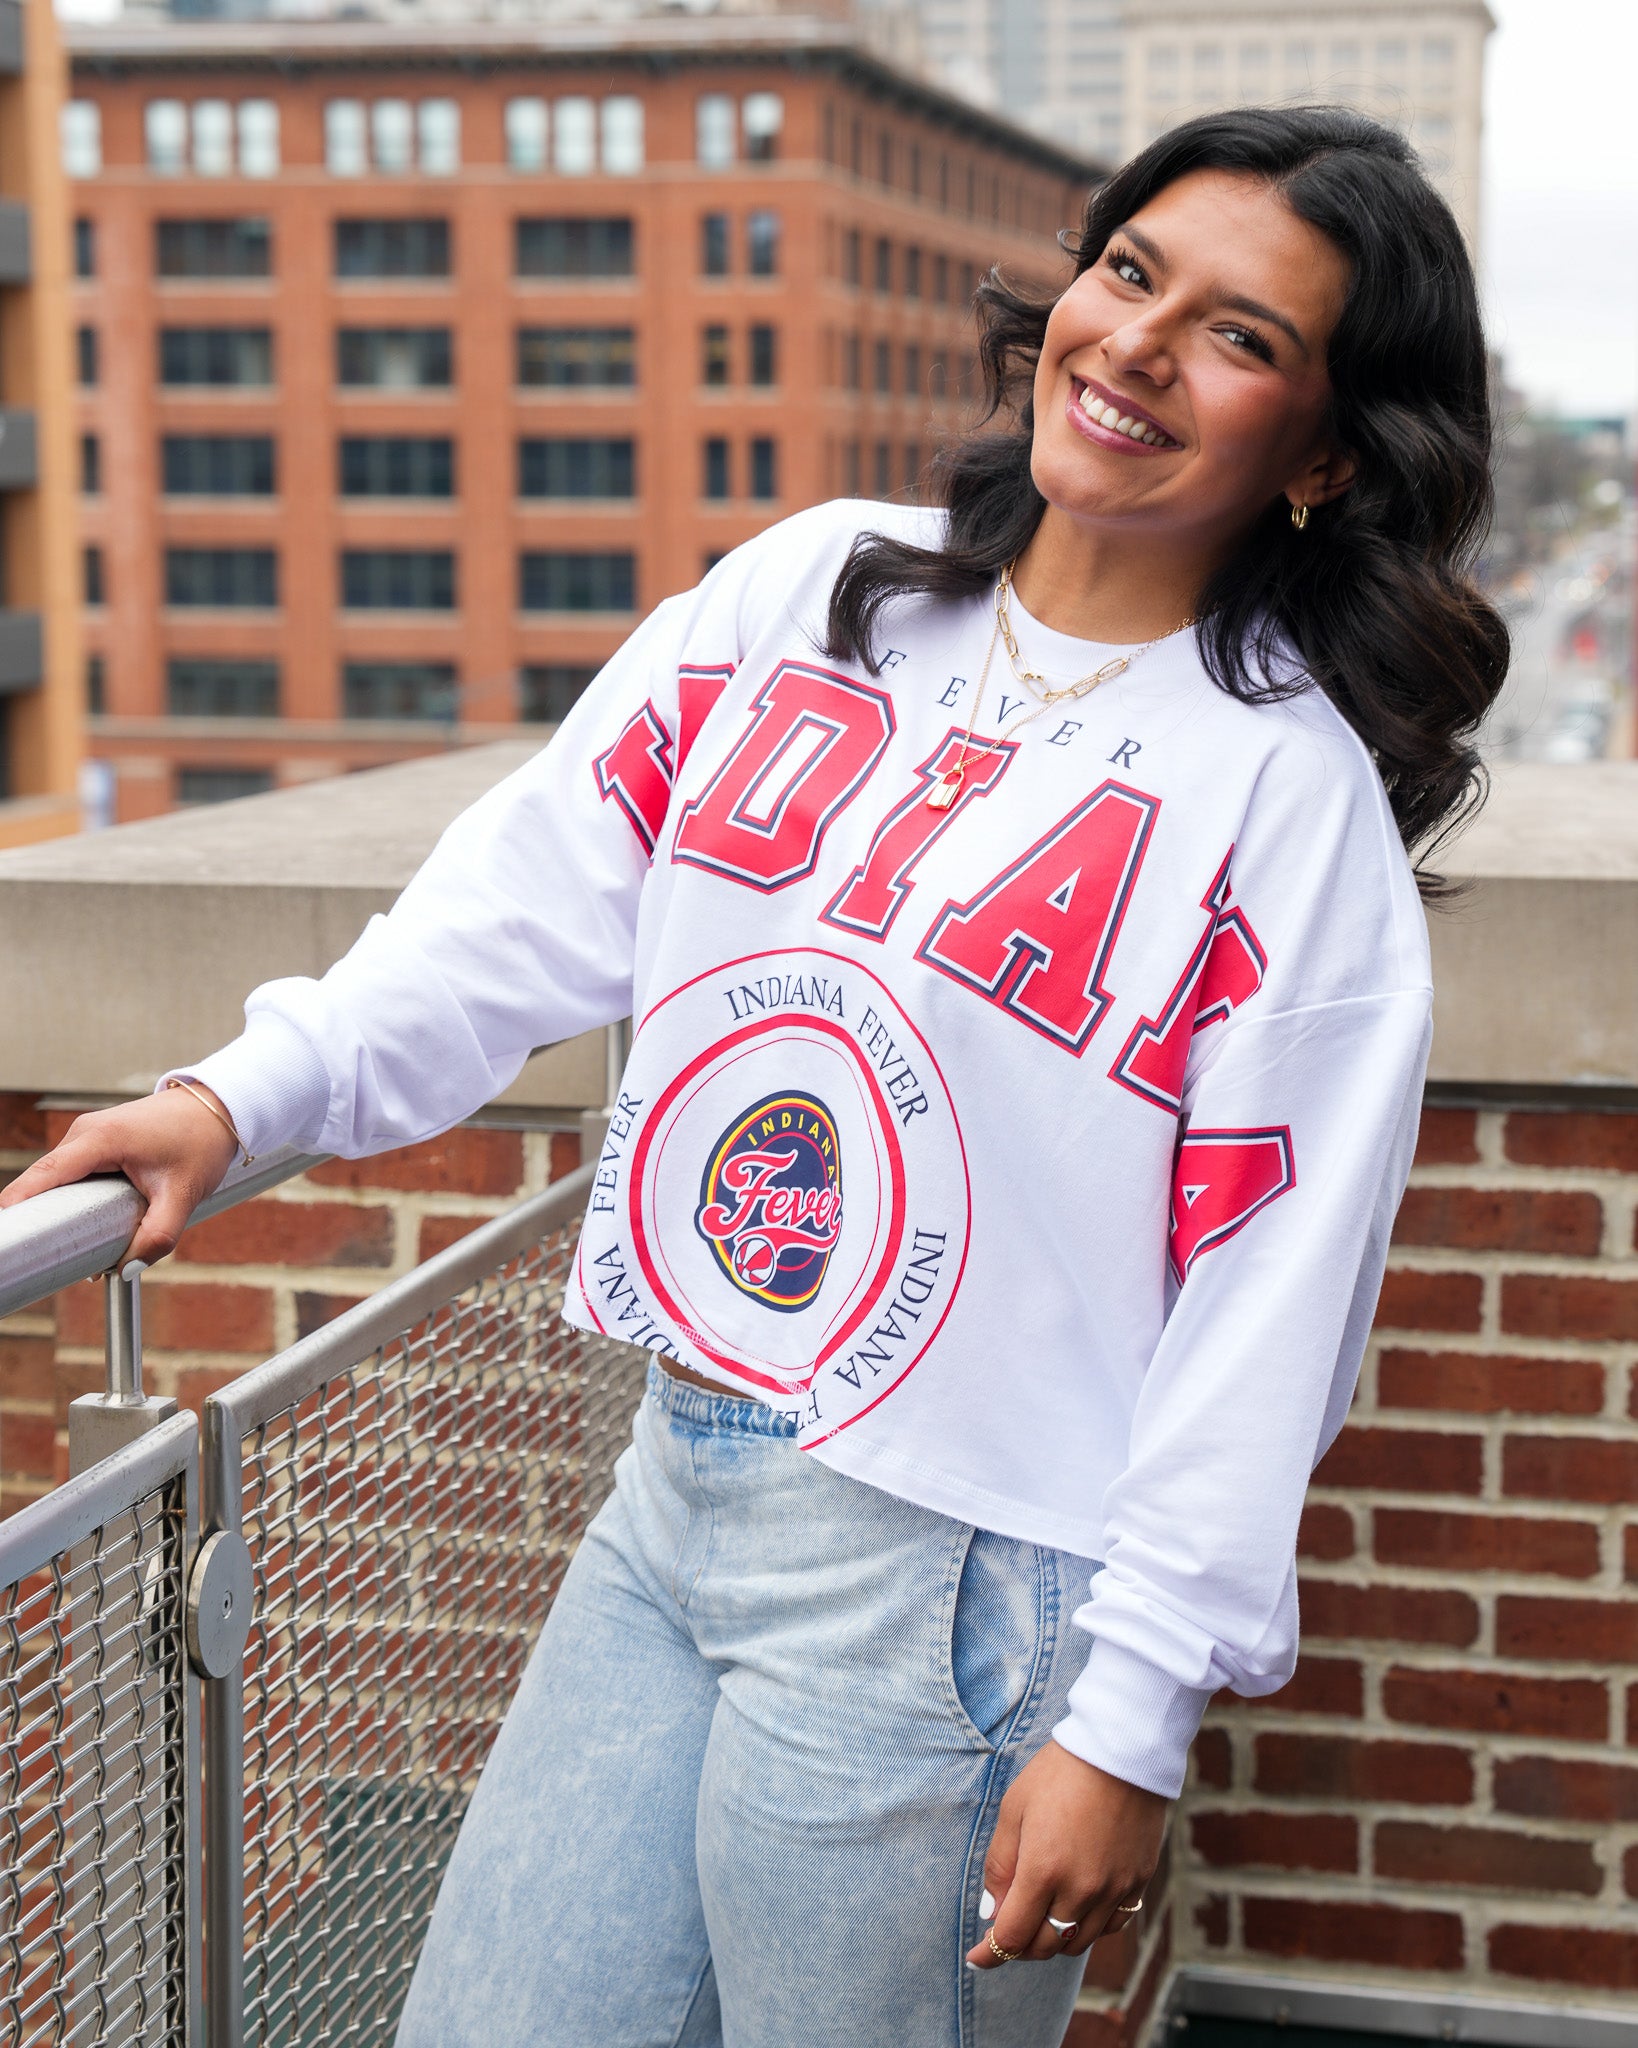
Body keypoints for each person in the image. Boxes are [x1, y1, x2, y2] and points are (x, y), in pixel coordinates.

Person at [5, 106, 1507, 2047]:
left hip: (957, 1585)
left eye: (1237, 334)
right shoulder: (819, 589)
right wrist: (244, 1095)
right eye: (1128, 272)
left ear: (1322, 449)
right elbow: (528, 898)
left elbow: (1269, 1312)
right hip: (675, 1488)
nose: (1135, 341)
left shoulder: (1283, 807)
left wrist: (1130, 1717)